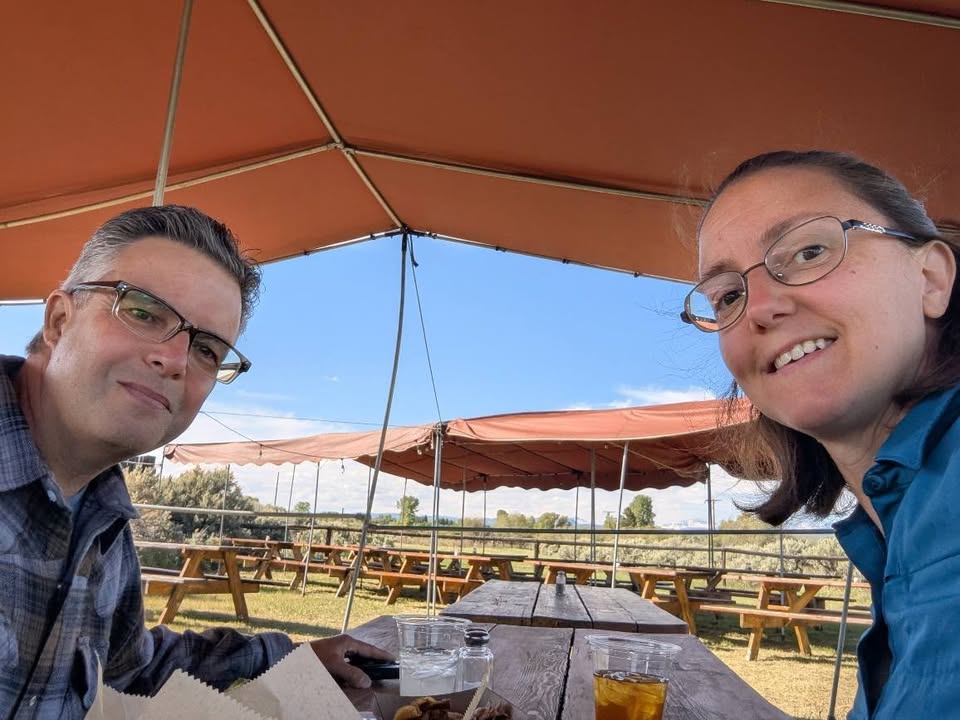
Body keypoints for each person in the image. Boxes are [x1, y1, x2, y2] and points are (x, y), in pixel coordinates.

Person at [0, 205, 392, 718]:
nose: (175, 361)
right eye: (143, 312)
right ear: (59, 320)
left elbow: (132, 668)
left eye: (207, 349)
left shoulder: (102, 516)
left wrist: (292, 656)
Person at [682, 150, 960, 718]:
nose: (759, 308)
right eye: (728, 296)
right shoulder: (897, 528)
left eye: (810, 251)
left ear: (931, 279)